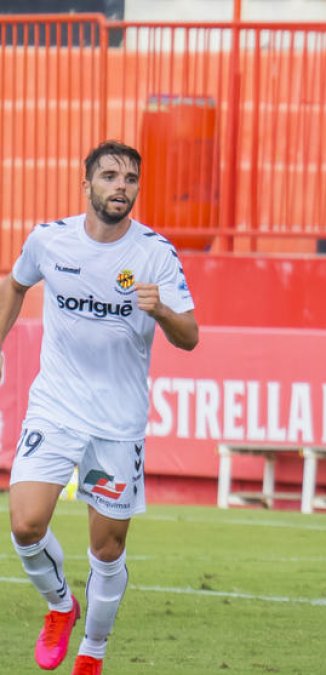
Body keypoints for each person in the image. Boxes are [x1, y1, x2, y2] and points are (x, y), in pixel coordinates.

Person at [1, 140, 199, 675]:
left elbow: (190, 337)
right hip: (55, 407)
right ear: (85, 183)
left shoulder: (155, 252)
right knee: (24, 524)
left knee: (107, 550)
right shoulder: (49, 240)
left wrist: (162, 312)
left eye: (130, 179)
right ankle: (62, 606)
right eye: (109, 176)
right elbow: (15, 284)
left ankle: (93, 651)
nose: (121, 186)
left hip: (117, 422)